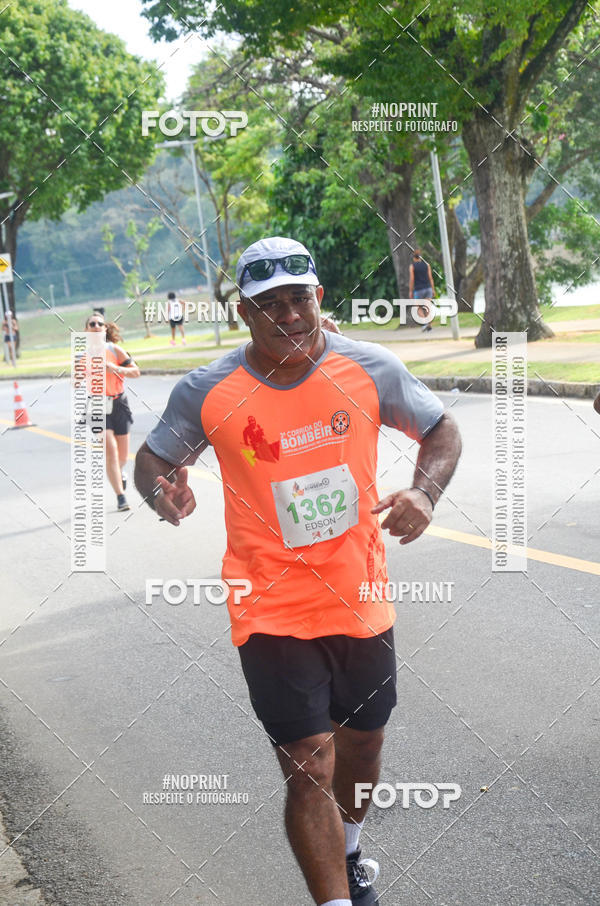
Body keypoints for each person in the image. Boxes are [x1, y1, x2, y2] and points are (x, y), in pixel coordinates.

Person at [135, 236, 462, 906]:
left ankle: (350, 849)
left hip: (357, 595)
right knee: (309, 760)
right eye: (269, 304)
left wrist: (424, 493)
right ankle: (337, 901)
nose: (288, 314)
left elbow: (442, 431)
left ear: (318, 297)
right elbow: (151, 459)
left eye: (299, 298)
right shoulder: (208, 390)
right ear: (243, 314)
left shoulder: (369, 367)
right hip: (268, 603)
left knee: (362, 748)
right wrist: (161, 489)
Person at [84, 314, 140, 511]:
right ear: (87, 330)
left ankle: (119, 474)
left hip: (119, 403)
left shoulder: (115, 350)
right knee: (111, 451)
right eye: (92, 324)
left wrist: (114, 368)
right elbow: (76, 380)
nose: (97, 326)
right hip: (97, 405)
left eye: (100, 323)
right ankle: (121, 497)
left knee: (122, 455)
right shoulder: (83, 356)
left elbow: (136, 372)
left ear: (105, 329)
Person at [408, 248, 436, 332]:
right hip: (428, 288)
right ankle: (429, 326)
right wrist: (433, 289)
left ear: (413, 258)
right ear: (420, 257)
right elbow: (430, 278)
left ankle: (424, 324)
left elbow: (412, 279)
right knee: (428, 307)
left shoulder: (412, 266)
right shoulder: (427, 265)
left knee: (418, 307)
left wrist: (410, 291)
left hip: (418, 289)